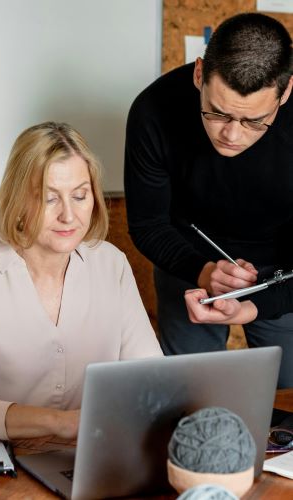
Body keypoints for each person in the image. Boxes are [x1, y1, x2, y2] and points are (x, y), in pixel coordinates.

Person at [0, 122, 162, 440]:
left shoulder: (111, 265)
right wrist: (59, 423)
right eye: (50, 199)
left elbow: (150, 377)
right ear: (19, 201)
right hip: (3, 467)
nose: (69, 215)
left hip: (94, 458)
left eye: (80, 196)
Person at [124, 12, 293, 387]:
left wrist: (257, 304)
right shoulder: (153, 111)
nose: (232, 135)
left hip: (285, 268)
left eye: (253, 121)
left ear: (286, 92)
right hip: (186, 259)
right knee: (189, 395)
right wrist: (202, 271)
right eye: (217, 112)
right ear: (199, 73)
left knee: (289, 396)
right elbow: (148, 224)